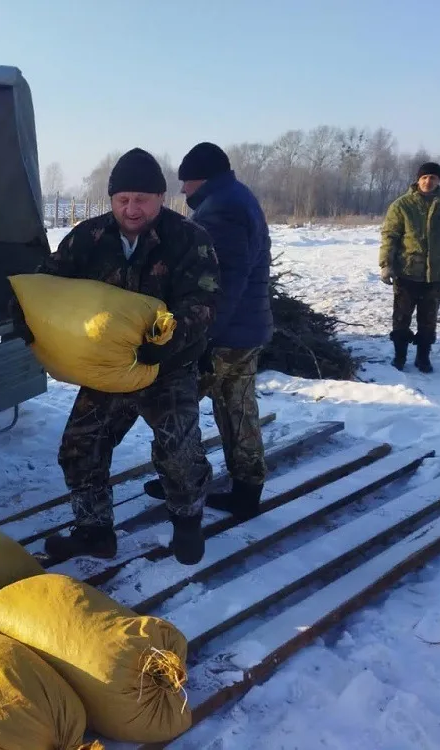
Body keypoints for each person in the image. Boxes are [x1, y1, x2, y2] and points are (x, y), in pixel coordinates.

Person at [13, 148, 221, 565]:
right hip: (108, 368)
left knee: (177, 450)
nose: (132, 208)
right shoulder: (88, 237)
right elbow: (49, 280)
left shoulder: (188, 239)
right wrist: (24, 311)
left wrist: (167, 338)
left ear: (161, 198)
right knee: (80, 446)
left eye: (142, 199)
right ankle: (94, 531)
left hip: (167, 365)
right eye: (122, 199)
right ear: (111, 200)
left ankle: (186, 519)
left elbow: (204, 301)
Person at [145, 142, 273, 521]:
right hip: (245, 329)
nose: (183, 191)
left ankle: (183, 481)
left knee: (172, 407)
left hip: (223, 334)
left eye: (186, 183)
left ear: (202, 179)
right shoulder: (236, 198)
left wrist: (204, 337)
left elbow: (223, 284)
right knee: (238, 409)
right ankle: (247, 490)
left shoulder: (221, 212)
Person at [379, 161, 440, 373]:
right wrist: (386, 265)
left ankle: (423, 357)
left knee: (428, 319)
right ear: (417, 180)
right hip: (407, 272)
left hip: (435, 273)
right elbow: (390, 236)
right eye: (424, 178)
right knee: (401, 317)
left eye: (433, 178)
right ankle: (400, 356)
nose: (428, 181)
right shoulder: (402, 205)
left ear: (439, 180)